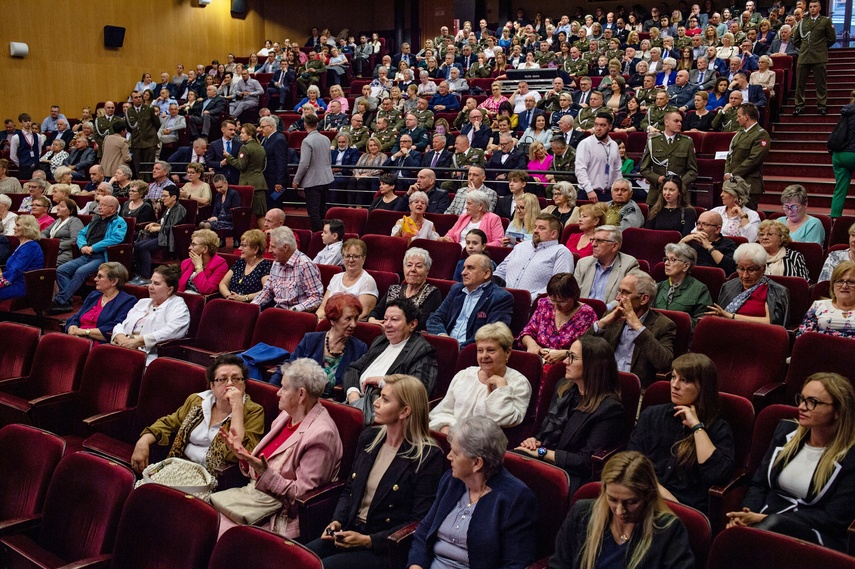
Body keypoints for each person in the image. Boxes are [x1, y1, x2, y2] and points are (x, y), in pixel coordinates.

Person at [309, 374, 444, 568]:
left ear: (405, 411)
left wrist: (368, 540)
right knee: (295, 558)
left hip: (383, 546)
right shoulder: (369, 438)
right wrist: (337, 521)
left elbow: (419, 520)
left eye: (385, 399)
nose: (376, 403)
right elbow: (349, 490)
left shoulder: (428, 456)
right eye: (380, 396)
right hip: (349, 531)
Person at [214, 358, 343, 539]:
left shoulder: (322, 435)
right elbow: (262, 467)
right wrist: (242, 455)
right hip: (253, 501)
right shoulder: (286, 416)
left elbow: (301, 497)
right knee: (202, 520)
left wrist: (264, 473)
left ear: (301, 395)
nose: (278, 393)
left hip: (280, 516)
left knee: (218, 536)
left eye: (284, 388)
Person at [727, 373, 855, 552]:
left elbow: (832, 519)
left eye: (813, 402)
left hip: (814, 534)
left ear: (837, 412)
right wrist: (746, 515)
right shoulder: (786, 432)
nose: (802, 407)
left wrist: (764, 519)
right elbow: (759, 484)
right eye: (801, 399)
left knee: (752, 539)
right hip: (763, 518)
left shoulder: (850, 457)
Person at [408, 416, 539, 569]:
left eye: (455, 454)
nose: (449, 456)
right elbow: (425, 530)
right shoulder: (452, 481)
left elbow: (516, 564)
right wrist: (416, 566)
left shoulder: (516, 499)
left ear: (477, 463)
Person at [549, 450, 695, 569]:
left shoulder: (668, 530)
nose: (620, 511)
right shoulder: (581, 513)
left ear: (648, 495)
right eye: (612, 499)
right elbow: (558, 565)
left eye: (631, 502)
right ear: (604, 489)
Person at [630, 353, 735, 512]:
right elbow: (631, 460)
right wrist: (663, 496)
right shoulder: (652, 415)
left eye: (684, 380)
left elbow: (717, 475)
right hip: (646, 497)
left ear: (703, 386)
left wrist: (697, 427)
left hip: (686, 511)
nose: (674, 385)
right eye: (673, 377)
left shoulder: (718, 428)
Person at [517, 335, 623, 492]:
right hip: (545, 459)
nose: (566, 362)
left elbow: (585, 462)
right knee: (506, 463)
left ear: (592, 366)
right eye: (567, 356)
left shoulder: (609, 408)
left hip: (570, 474)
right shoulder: (563, 388)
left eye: (572, 358)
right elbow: (544, 430)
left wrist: (541, 452)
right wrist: (535, 441)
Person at [130, 353, 265, 475]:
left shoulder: (253, 411)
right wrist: (143, 441)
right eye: (222, 379)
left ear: (244, 385)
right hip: (178, 468)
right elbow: (168, 423)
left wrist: (237, 408)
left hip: (214, 477)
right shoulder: (197, 401)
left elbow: (241, 454)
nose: (230, 384)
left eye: (237, 379)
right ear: (212, 386)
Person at [429, 322, 532, 431]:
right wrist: (446, 428)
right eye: (480, 350)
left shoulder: (519, 383)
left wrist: (502, 389)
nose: (484, 356)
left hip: (486, 445)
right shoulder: (464, 375)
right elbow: (443, 411)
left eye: (491, 350)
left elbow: (506, 420)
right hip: (450, 437)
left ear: (507, 352)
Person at [587, 271, 676, 387]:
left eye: (625, 293)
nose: (618, 297)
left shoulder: (664, 325)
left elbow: (664, 363)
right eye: (619, 291)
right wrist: (602, 323)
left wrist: (638, 327)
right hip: (601, 384)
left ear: (644, 299)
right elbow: (582, 348)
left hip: (635, 389)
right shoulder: (612, 315)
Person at [344, 298, 439, 401]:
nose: (387, 325)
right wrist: (353, 393)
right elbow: (353, 369)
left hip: (387, 411)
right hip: (357, 402)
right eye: (385, 319)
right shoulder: (381, 341)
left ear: (412, 324)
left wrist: (384, 382)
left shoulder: (422, 351)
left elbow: (419, 391)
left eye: (394, 319)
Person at [50, 195, 127, 313]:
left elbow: (116, 238)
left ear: (112, 209)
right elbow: (81, 234)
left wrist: (93, 248)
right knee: (61, 270)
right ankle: (66, 301)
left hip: (102, 256)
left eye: (103, 205)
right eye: (99, 204)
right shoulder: (95, 219)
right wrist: (83, 246)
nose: (99, 207)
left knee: (81, 271)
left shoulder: (119, 222)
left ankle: (60, 301)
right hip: (86, 254)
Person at [426, 254, 513, 348]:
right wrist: (443, 338)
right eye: (464, 268)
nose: (463, 272)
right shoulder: (457, 289)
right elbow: (435, 318)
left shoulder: (500, 298)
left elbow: (491, 335)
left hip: (471, 353)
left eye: (470, 268)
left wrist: (456, 349)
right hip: (445, 345)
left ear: (486, 274)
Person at [112, 265, 191, 365]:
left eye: (156, 284)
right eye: (151, 282)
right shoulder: (143, 302)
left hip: (149, 357)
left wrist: (140, 341)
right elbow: (123, 324)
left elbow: (173, 330)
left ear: (170, 290)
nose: (150, 287)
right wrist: (120, 337)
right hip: (124, 348)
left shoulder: (178, 306)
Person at [708, 243, 790, 326]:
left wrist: (732, 317)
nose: (745, 275)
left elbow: (771, 323)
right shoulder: (729, 286)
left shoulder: (775, 291)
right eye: (741, 269)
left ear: (763, 269)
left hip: (759, 334)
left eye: (751, 270)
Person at [496, 214, 575, 299]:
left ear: (553, 234)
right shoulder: (521, 246)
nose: (536, 231)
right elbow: (501, 271)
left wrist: (527, 299)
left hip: (534, 304)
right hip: (501, 300)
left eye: (541, 228)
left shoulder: (561, 252)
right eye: (535, 227)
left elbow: (559, 286)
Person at [368, 248, 443, 331]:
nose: (413, 269)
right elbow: (376, 312)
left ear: (427, 271)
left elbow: (423, 323)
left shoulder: (432, 293)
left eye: (418, 266)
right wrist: (372, 320)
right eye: (409, 265)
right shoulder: (394, 289)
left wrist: (393, 326)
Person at [253, 226, 323, 312]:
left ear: (286, 247)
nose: (270, 250)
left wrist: (294, 310)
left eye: (273, 247)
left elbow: (316, 297)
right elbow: (267, 291)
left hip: (297, 315)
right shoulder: (277, 262)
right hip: (278, 312)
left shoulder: (305, 265)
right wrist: (253, 306)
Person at [638, 111, 698, 206]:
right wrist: (657, 178)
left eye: (680, 121)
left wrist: (678, 183)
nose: (680, 124)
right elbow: (644, 169)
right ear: (666, 122)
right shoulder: (653, 142)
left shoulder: (687, 142)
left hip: (679, 195)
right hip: (657, 193)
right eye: (676, 121)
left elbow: (693, 171)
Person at [130, 185, 186, 285]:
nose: (162, 198)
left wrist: (158, 228)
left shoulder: (179, 209)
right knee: (138, 246)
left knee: (144, 248)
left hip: (169, 238)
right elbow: (164, 222)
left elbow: (173, 227)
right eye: (162, 196)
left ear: (173, 197)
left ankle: (146, 277)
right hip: (161, 236)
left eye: (165, 196)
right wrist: (154, 224)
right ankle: (138, 274)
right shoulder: (168, 208)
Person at [574, 225, 640, 304]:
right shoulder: (583, 263)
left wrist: (605, 309)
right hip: (583, 313)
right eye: (593, 240)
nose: (593, 244)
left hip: (612, 313)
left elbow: (627, 298)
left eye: (599, 240)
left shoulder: (629, 264)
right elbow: (572, 294)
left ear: (614, 246)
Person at [316, 239, 378, 322]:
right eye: (347, 256)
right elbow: (323, 307)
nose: (351, 260)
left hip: (351, 327)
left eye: (356, 256)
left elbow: (363, 313)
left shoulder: (367, 281)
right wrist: (316, 320)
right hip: (331, 322)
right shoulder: (336, 278)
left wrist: (336, 322)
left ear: (363, 259)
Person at [792, 0, 836, 115]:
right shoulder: (803, 22)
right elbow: (796, 40)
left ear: (819, 8)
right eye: (811, 7)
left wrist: (821, 47)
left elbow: (831, 38)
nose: (812, 9)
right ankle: (799, 105)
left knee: (820, 83)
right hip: (804, 55)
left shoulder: (825, 21)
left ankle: (822, 105)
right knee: (800, 83)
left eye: (815, 6)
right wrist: (803, 48)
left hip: (819, 56)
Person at [655, 243, 714, 325]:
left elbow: (701, 323)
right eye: (666, 259)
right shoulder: (658, 287)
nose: (666, 263)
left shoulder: (700, 289)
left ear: (686, 266)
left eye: (673, 260)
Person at [293, 114, 334, 232]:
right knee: (322, 208)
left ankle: (318, 235)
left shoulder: (307, 141)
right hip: (326, 178)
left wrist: (296, 179)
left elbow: (304, 163)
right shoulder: (326, 139)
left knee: (314, 211)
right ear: (317, 124)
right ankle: (326, 233)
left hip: (313, 181)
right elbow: (329, 159)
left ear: (305, 124)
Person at [225, 123, 268, 228]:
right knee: (261, 214)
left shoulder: (245, 148)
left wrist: (228, 157)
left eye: (243, 133)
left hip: (247, 184)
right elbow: (263, 166)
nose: (240, 135)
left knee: (245, 214)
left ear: (250, 135)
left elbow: (241, 166)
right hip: (260, 183)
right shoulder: (260, 147)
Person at [797, 261, 855, 339]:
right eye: (840, 281)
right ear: (832, 285)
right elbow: (803, 337)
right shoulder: (818, 306)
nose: (844, 286)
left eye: (851, 282)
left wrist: (823, 335)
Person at [575, 113, 621, 203]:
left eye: (603, 125)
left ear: (610, 127)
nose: (598, 128)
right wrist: (589, 190)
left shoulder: (614, 145)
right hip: (589, 193)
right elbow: (580, 169)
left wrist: (617, 189)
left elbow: (617, 170)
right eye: (596, 125)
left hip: (608, 193)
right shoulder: (585, 144)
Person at [219, 229, 272, 303]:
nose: (240, 249)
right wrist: (229, 296)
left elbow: (266, 291)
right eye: (241, 245)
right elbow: (223, 283)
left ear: (255, 249)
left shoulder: (265, 266)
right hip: (231, 302)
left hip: (250, 306)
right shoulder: (240, 262)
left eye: (244, 246)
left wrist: (244, 298)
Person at [0, 215, 44, 301]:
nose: (14, 228)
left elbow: (16, 270)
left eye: (18, 225)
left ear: (28, 228)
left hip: (21, 284)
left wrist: (1, 280)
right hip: (12, 281)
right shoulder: (21, 245)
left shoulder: (31, 247)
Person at [440, 190, 504, 247]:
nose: (466, 207)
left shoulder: (493, 218)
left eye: (469, 204)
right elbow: (449, 235)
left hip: (479, 255)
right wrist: (447, 239)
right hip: (457, 252)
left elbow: (498, 242)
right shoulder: (463, 217)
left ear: (480, 206)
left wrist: (480, 248)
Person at [711, 177, 761, 243]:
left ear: (737, 195)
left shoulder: (752, 215)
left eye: (725, 191)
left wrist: (743, 216)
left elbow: (753, 240)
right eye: (722, 191)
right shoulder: (716, 211)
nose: (721, 195)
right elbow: (697, 231)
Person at [179, 229, 229, 295]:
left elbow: (206, 289)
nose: (189, 247)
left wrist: (198, 267)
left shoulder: (220, 264)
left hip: (202, 302)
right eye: (191, 244)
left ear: (205, 249)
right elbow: (179, 287)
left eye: (194, 244)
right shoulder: (186, 262)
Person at [830, 90, 855, 219]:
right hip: (853, 154)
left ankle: (834, 218)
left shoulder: (846, 111)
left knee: (840, 189)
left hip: (838, 154)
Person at [41, 197, 83, 266]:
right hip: (53, 250)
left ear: (70, 211)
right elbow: (43, 233)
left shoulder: (75, 221)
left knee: (47, 263)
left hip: (66, 252)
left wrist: (55, 246)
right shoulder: (58, 221)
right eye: (58, 205)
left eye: (62, 206)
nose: (58, 208)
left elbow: (75, 240)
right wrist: (45, 243)